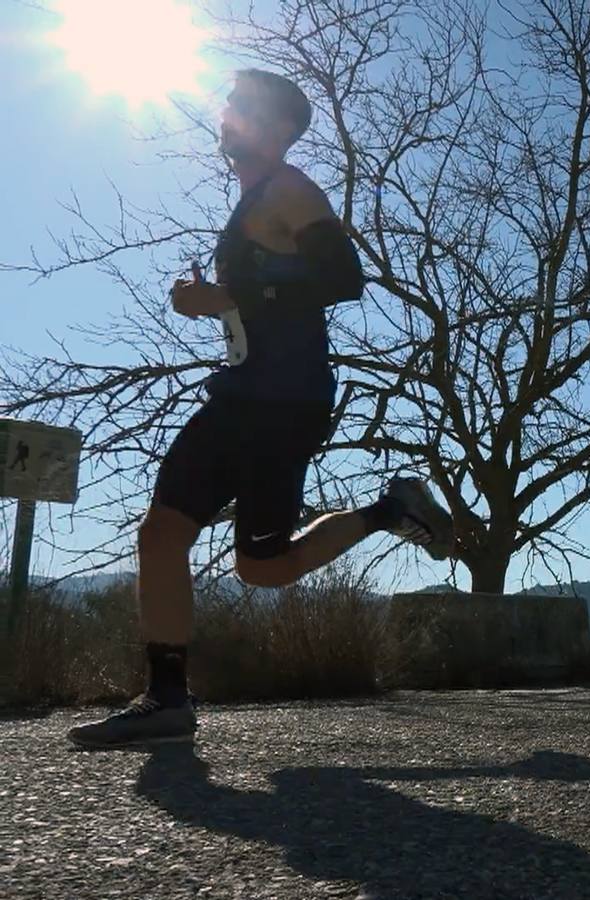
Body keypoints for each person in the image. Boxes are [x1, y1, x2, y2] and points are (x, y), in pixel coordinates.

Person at [68, 70, 454, 749]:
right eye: (229, 103)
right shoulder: (252, 200)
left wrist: (231, 294)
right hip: (246, 391)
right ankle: (167, 696)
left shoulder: (290, 189)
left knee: (253, 565)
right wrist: (216, 296)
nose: (228, 114)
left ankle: (390, 510)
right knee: (182, 540)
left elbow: (342, 277)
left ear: (278, 130)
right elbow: (264, 289)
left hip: (285, 398)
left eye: (245, 107)